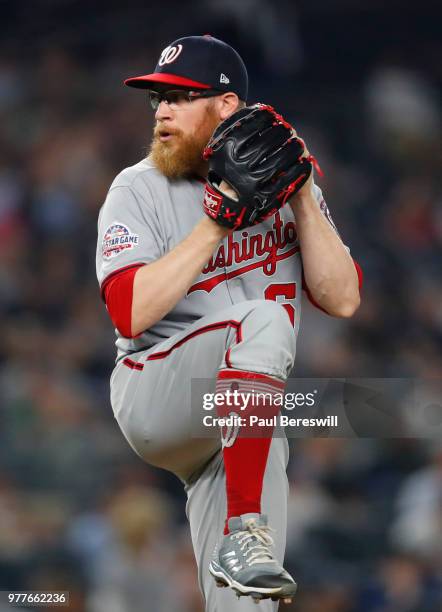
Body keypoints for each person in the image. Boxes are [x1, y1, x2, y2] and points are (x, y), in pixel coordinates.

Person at [96, 34, 362, 610]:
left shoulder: (286, 188)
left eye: (180, 97)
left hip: (240, 415)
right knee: (262, 322)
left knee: (251, 595)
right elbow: (129, 310)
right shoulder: (137, 187)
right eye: (156, 99)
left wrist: (304, 197)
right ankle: (244, 529)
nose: (161, 110)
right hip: (156, 389)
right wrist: (215, 223)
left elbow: (342, 300)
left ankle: (245, 545)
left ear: (226, 107)